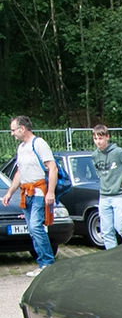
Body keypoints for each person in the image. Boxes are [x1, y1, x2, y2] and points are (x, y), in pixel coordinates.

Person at [3, 115, 58, 275]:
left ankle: (48, 263)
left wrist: (51, 192)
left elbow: (52, 168)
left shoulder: (38, 143)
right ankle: (42, 264)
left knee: (36, 227)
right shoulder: (21, 148)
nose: (12, 133)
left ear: (22, 129)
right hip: (25, 193)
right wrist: (9, 192)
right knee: (33, 230)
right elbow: (20, 172)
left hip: (39, 192)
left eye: (13, 130)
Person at [89, 124, 122, 249]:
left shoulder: (117, 153)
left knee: (121, 226)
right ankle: (112, 254)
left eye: (100, 138)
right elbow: (98, 171)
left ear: (107, 137)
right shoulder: (95, 155)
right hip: (104, 196)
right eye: (95, 139)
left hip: (119, 196)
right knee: (106, 230)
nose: (98, 142)